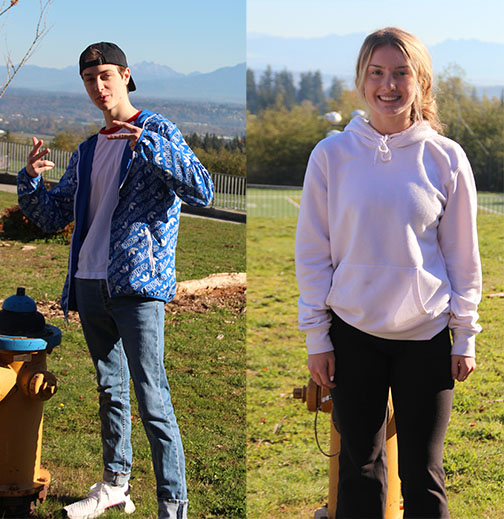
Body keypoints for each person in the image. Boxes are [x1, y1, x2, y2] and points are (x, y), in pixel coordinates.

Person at [17, 42, 214, 519]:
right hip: (89, 282)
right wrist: (30, 181)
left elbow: (202, 189)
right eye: (89, 79)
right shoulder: (87, 151)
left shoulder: (157, 131)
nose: (98, 86)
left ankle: (173, 505)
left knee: (152, 397)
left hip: (137, 286)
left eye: (105, 75)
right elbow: (53, 214)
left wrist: (145, 144)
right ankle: (115, 485)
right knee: (110, 390)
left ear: (126, 76)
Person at [295, 28, 481, 519]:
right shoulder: (331, 155)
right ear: (362, 80)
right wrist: (317, 336)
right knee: (360, 472)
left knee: (423, 475)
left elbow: (464, 258)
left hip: (427, 338)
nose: (388, 85)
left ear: (420, 81)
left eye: (401, 73)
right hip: (353, 336)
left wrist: (464, 336)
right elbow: (313, 254)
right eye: (377, 73)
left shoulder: (446, 158)